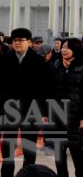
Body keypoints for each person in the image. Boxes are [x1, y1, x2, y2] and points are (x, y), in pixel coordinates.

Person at [0, 28, 53, 177]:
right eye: (14, 40)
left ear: (29, 42)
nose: (17, 43)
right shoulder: (5, 59)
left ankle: (28, 174)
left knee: (29, 147)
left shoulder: (39, 62)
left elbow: (45, 89)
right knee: (8, 147)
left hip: (31, 110)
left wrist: (44, 111)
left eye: (21, 40)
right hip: (10, 110)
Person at [49, 38, 83, 177]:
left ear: (76, 50)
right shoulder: (56, 66)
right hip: (57, 117)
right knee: (59, 157)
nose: (64, 50)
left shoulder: (81, 67)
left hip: (76, 119)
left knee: (78, 157)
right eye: (63, 47)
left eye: (68, 48)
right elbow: (49, 91)